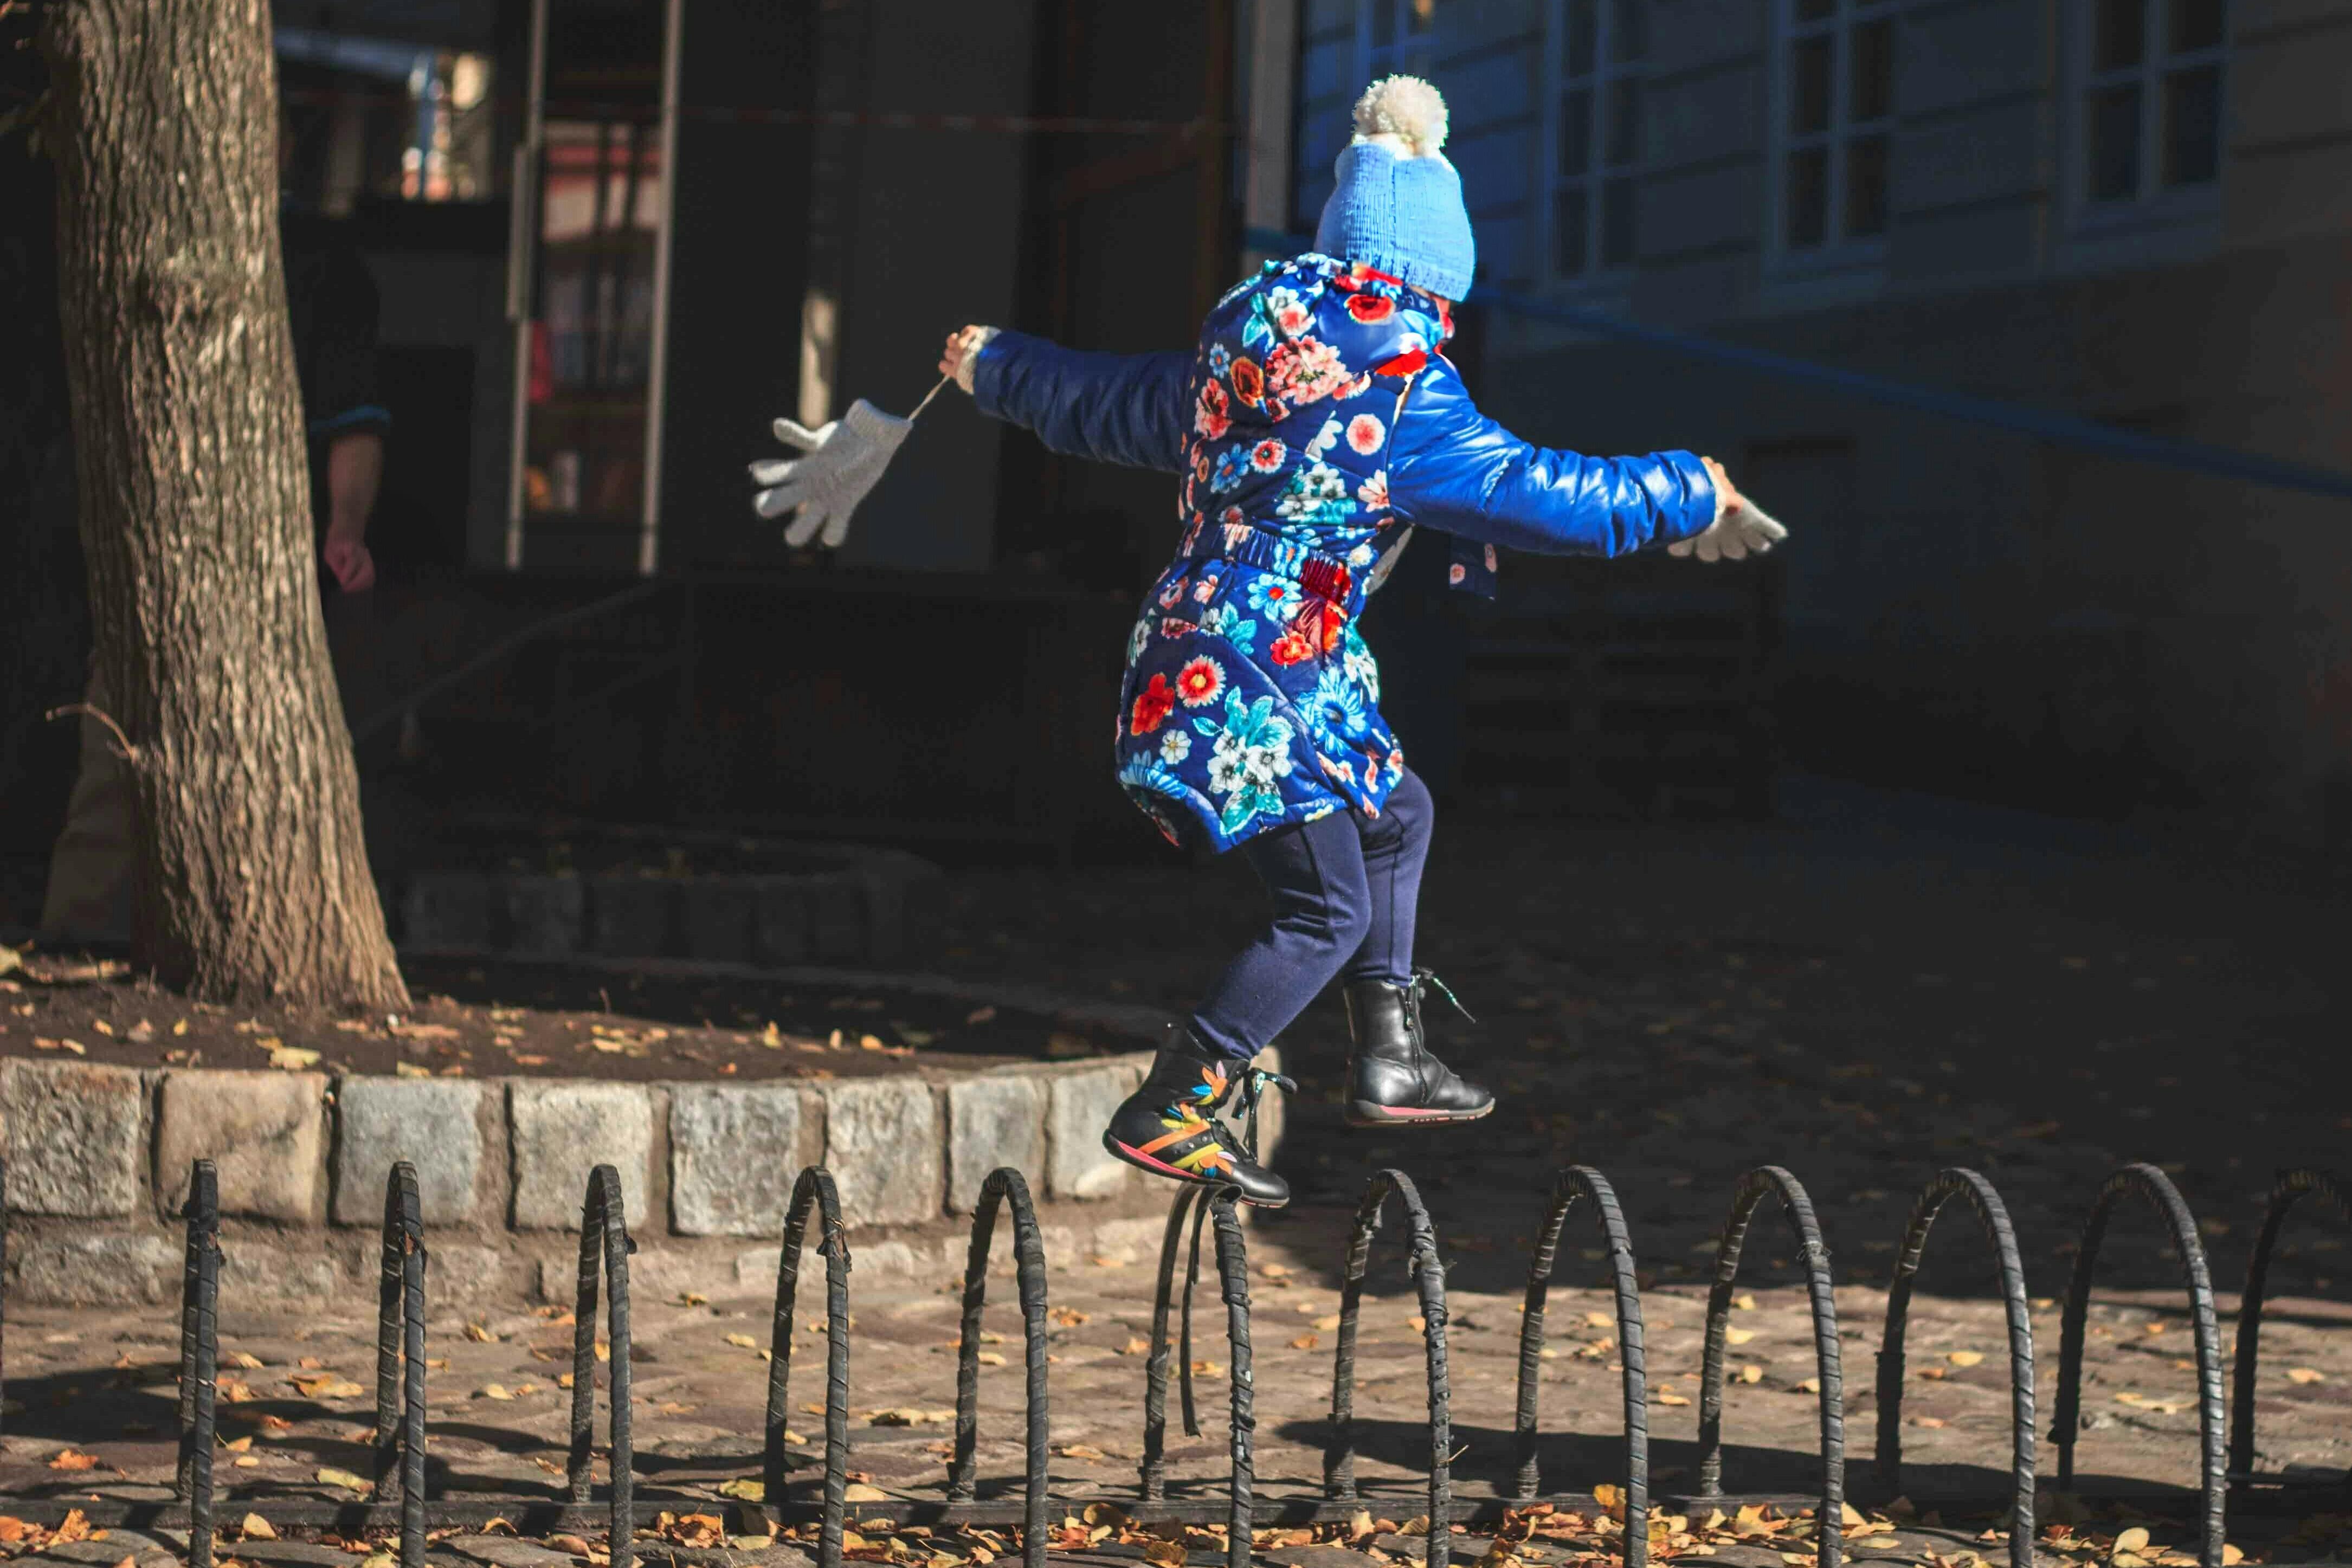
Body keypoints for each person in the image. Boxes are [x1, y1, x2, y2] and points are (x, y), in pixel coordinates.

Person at [939, 76, 1785, 1207]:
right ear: (1431, 283)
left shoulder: (1240, 364)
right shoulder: (1403, 391)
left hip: (1221, 659)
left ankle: (1389, 1053)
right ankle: (1176, 1102)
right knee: (1325, 909)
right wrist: (1690, 485)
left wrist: (995, 367)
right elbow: (1546, 495)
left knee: (1396, 813)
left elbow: (1100, 400)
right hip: (1257, 676)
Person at [38, 126, 391, 945]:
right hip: (147, 545)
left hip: (269, 564)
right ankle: (84, 935)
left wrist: (344, 528)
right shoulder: (136, 247)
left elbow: (355, 421)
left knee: (253, 758)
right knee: (117, 742)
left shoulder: (320, 268)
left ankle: (244, 939)